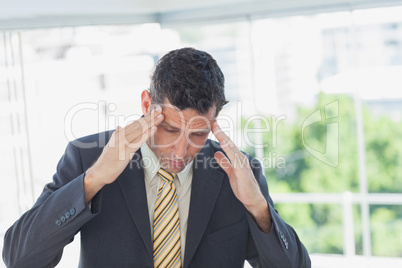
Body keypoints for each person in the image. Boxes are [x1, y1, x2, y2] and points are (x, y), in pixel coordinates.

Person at [3, 47, 311, 268]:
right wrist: (93, 181)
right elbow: (19, 258)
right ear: (147, 103)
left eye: (198, 135)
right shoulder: (89, 158)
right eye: (169, 129)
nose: (180, 152)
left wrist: (258, 209)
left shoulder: (239, 174)